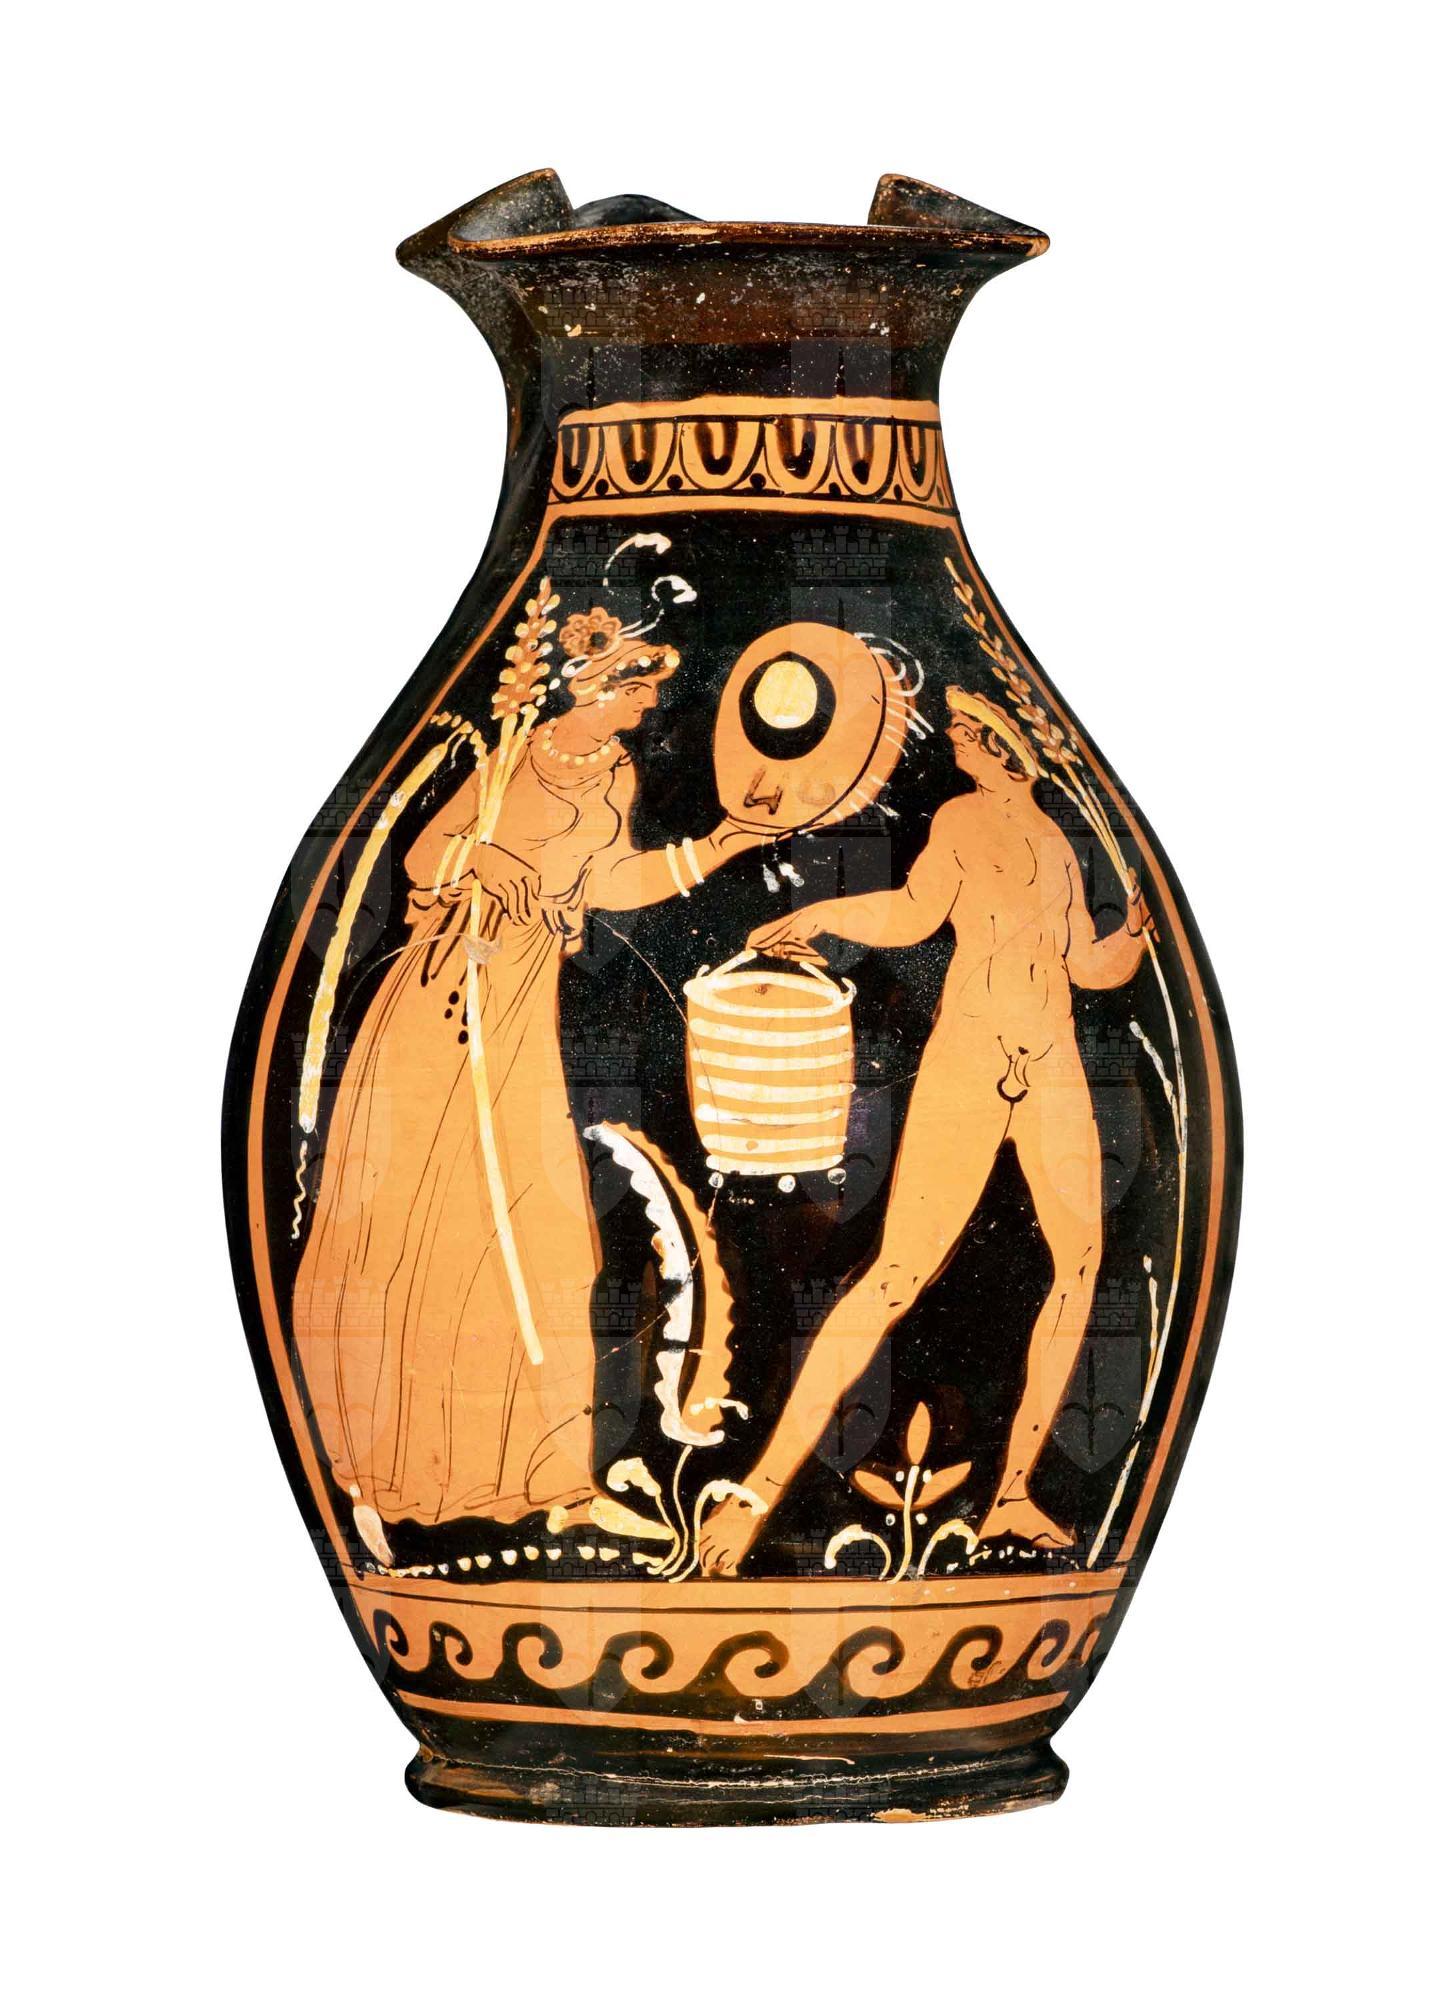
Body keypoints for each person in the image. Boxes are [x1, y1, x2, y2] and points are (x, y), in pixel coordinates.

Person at [294, 607, 762, 1563]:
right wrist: (490, 859)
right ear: (591, 684)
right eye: (639, 687)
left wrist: (722, 842)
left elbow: (610, 880)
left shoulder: (616, 772)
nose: (650, 704)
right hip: (443, 1010)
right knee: (419, 1235)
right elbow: (424, 857)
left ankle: (555, 1483)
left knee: (544, 1240)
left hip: (519, 1011)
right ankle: (382, 1473)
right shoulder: (511, 752)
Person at [698, 686, 1154, 1575]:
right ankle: (756, 1494)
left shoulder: (1054, 840)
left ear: (1006, 746)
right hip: (970, 1061)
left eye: (967, 732)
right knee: (895, 1275)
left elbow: (1084, 964)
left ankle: (1012, 1493)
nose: (953, 741)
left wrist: (1132, 933)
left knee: (1080, 1266)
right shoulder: (960, 819)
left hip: (1050, 1063)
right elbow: (913, 912)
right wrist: (823, 913)